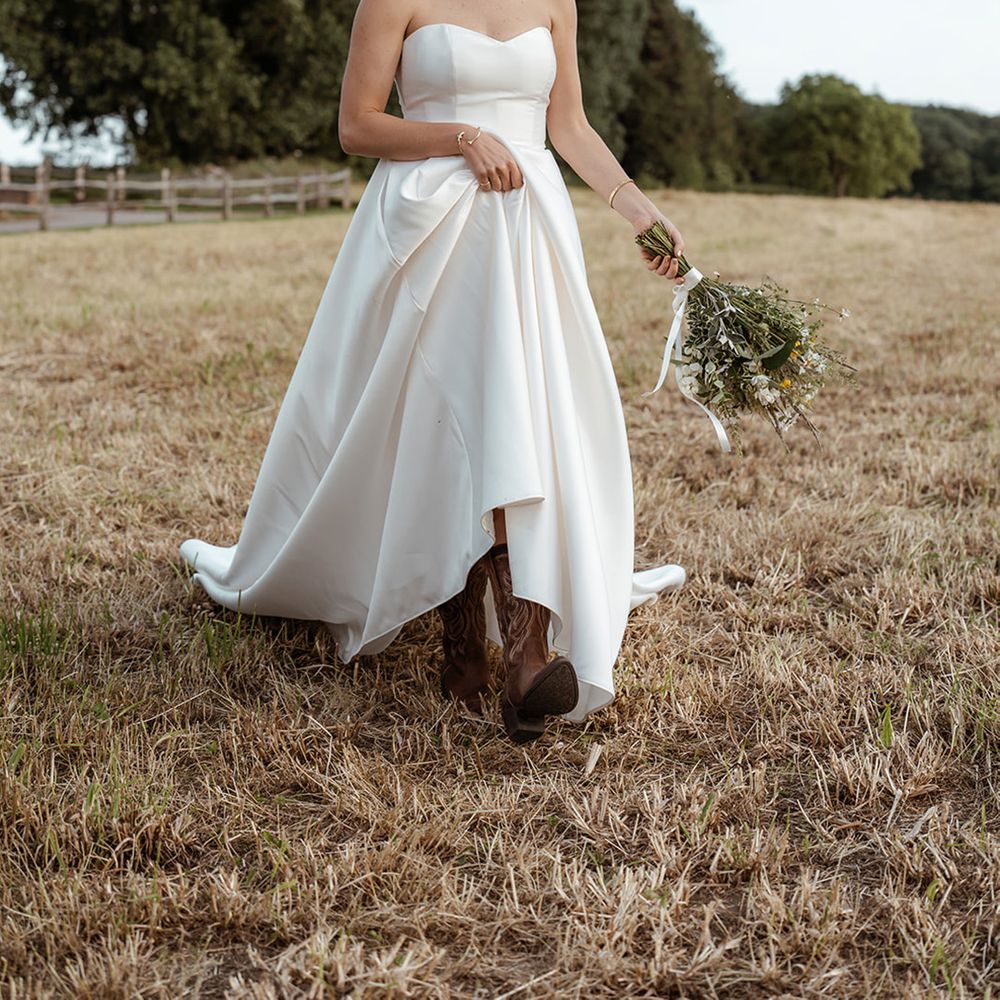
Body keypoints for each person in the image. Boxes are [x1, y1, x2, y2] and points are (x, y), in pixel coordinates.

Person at [179, 0, 689, 745]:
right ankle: (461, 643)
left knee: (525, 421)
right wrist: (462, 137)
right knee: (442, 417)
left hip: (527, 228)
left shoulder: (555, 3)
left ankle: (524, 656)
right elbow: (358, 125)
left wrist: (639, 211)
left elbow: (567, 125)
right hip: (429, 227)